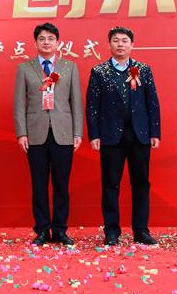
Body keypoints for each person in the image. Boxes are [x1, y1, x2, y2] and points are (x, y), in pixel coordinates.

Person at [86, 26, 160, 246]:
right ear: (109, 45)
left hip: (139, 134)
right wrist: (94, 134)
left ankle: (141, 230)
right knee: (110, 184)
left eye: (125, 40)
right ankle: (111, 231)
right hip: (110, 136)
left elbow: (152, 102)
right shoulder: (99, 71)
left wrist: (155, 131)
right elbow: (92, 106)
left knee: (141, 183)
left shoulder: (143, 69)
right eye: (116, 41)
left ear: (132, 44)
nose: (120, 44)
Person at [13, 23, 82, 246]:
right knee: (39, 185)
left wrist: (77, 132)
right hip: (35, 134)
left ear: (58, 43)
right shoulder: (25, 68)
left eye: (50, 38)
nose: (46, 42)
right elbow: (18, 104)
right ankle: (42, 230)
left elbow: (76, 103)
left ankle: (60, 230)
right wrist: (21, 133)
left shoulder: (69, 67)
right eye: (42, 38)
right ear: (35, 43)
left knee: (62, 184)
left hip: (63, 132)